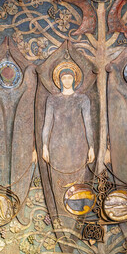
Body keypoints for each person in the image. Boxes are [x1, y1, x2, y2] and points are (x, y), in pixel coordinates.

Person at [40, 61, 95, 228]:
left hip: (78, 146)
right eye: (64, 77)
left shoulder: (82, 99)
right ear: (59, 80)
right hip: (57, 146)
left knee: (77, 181)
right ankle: (61, 219)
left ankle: (74, 218)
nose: (67, 80)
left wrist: (91, 146)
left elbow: (88, 124)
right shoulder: (52, 99)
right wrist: (44, 146)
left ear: (74, 79)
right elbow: (47, 124)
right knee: (58, 181)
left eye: (70, 77)